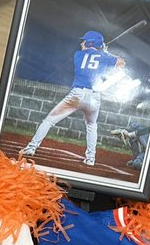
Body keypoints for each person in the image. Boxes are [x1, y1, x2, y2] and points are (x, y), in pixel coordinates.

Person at [21, 30, 125, 167]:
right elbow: (122, 62)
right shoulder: (104, 57)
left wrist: (102, 52)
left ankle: (31, 147)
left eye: (84, 41)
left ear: (90, 43)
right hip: (94, 98)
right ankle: (90, 158)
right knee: (92, 126)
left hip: (77, 95)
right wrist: (106, 52)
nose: (82, 43)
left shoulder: (78, 55)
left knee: (49, 120)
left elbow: (91, 59)